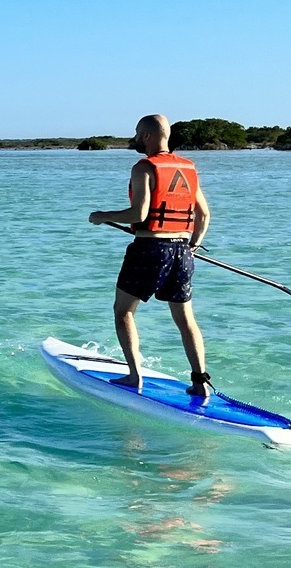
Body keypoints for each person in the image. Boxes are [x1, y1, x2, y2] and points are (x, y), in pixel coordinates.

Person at [88, 114, 214, 396]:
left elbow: (139, 214)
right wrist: (192, 245)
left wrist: (101, 216)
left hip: (150, 250)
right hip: (182, 251)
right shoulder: (189, 168)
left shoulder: (144, 167)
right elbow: (203, 215)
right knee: (185, 320)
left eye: (136, 133)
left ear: (146, 136)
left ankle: (134, 376)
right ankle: (200, 382)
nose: (134, 138)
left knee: (123, 312)